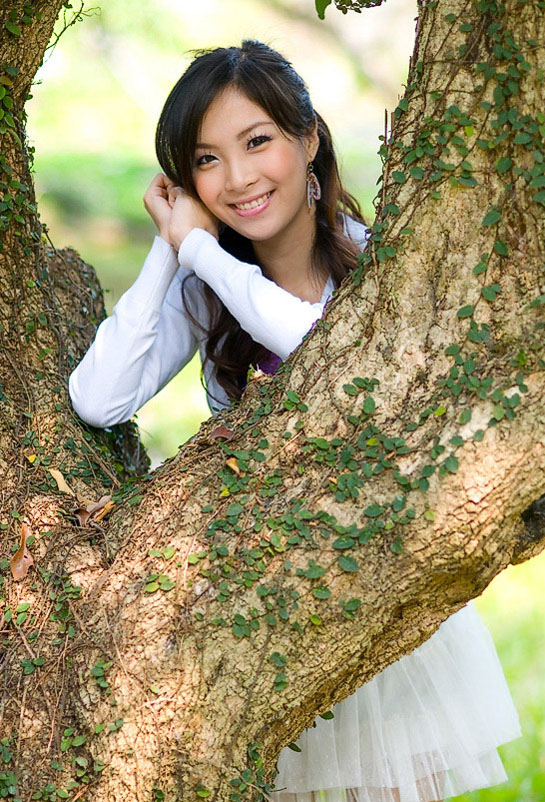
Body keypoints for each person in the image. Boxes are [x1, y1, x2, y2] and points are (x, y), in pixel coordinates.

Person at [68, 39, 522, 802]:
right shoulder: (204, 286)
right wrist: (170, 250)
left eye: (257, 142)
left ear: (308, 140)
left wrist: (203, 252)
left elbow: (323, 356)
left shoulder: (378, 262)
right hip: (266, 611)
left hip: (380, 599)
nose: (238, 178)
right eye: (206, 160)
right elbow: (98, 399)